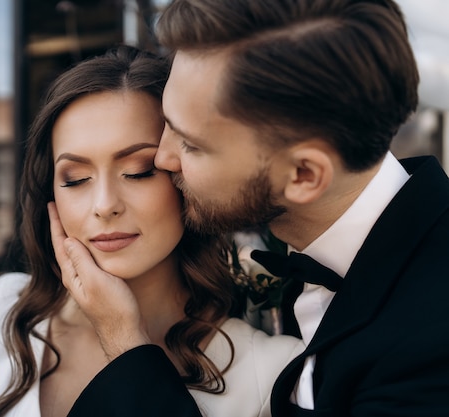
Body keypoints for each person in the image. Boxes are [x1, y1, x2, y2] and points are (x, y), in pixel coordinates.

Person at [52, 1, 449, 417]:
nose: (164, 158)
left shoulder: (432, 353)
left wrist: (125, 343)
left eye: (191, 144)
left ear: (302, 175)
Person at [0, 45, 302, 417]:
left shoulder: (268, 373)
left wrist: (123, 338)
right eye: (75, 179)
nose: (104, 204)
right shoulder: (8, 310)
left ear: (186, 176)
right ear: (51, 195)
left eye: (139, 171)